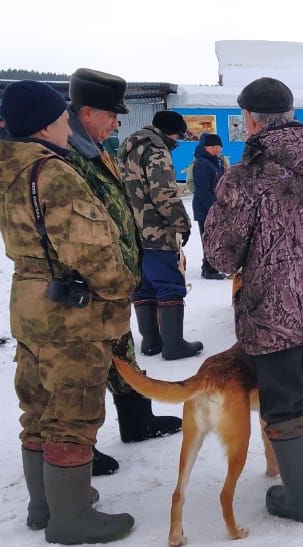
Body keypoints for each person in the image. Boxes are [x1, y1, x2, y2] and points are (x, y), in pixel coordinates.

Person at [204, 77, 303, 525]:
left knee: (285, 402)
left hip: (278, 311)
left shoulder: (246, 177)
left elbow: (220, 256)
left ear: (250, 120)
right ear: (291, 115)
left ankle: (302, 500)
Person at [0, 80, 136, 544]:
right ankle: (71, 520)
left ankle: (45, 505)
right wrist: (122, 287)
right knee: (73, 411)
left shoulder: (6, 165)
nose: (65, 123)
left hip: (29, 301)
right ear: (46, 122)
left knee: (38, 408)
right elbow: (89, 251)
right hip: (67, 314)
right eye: (59, 117)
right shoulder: (53, 173)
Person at [64, 68, 181, 476]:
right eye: (111, 114)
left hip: (113, 279)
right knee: (87, 366)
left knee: (121, 350)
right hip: (87, 282)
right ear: (87, 111)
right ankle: (79, 447)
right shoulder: (65, 155)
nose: (117, 122)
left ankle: (137, 420)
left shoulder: (97, 149)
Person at [119, 110, 205, 361]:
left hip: (133, 230)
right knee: (169, 284)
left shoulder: (129, 145)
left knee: (144, 285)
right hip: (156, 229)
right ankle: (174, 345)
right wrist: (181, 223)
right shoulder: (156, 149)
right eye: (178, 136)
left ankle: (151, 341)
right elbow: (164, 193)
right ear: (171, 132)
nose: (177, 142)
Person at [190, 132, 227, 280]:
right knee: (209, 237)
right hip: (206, 208)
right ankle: (208, 269)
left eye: (219, 147)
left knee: (215, 237)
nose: (217, 149)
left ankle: (212, 265)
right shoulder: (202, 164)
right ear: (205, 147)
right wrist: (214, 208)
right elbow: (202, 190)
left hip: (215, 207)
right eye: (214, 147)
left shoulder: (214, 162)